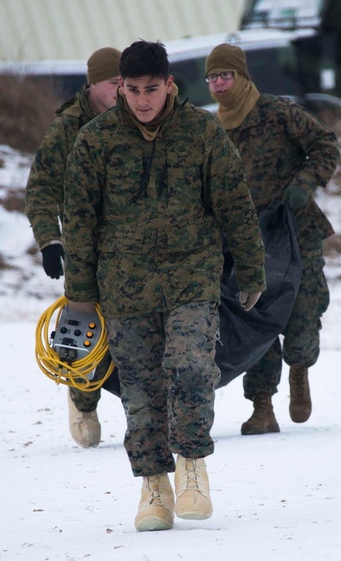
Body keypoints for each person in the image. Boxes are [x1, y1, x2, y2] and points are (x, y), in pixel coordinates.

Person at [61, 40, 265, 531]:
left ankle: (192, 465)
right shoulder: (96, 142)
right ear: (122, 90)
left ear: (170, 84)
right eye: (131, 90)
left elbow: (234, 202)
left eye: (151, 89)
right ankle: (154, 484)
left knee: (193, 366)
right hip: (125, 287)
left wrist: (253, 268)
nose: (142, 100)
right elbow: (81, 223)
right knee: (141, 390)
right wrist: (80, 297)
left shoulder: (202, 131)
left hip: (192, 277)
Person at [204, 43, 340, 435]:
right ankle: (262, 406)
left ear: (242, 77)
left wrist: (304, 184)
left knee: (302, 310)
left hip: (292, 227)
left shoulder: (279, 113)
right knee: (253, 320)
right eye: (212, 77)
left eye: (225, 75)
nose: (218, 83)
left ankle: (299, 369)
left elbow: (325, 145)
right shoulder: (211, 128)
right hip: (244, 239)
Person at [25, 46, 122, 449]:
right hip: (85, 246)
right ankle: (82, 400)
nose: (121, 91)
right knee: (83, 326)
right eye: (113, 83)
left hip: (134, 244)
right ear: (92, 83)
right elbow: (42, 186)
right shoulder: (68, 127)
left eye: (124, 83)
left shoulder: (135, 118)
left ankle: (145, 406)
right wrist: (50, 240)